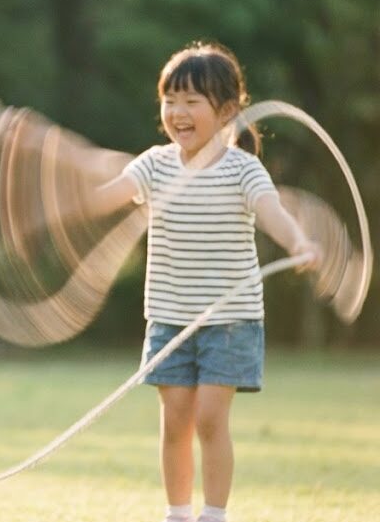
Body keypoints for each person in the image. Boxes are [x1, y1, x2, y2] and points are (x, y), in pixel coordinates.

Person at [82, 41, 320, 522]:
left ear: (228, 110)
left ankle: (213, 514)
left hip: (229, 321)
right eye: (170, 100)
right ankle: (177, 513)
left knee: (211, 421)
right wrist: (60, 188)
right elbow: (109, 197)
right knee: (175, 424)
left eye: (192, 101)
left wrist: (298, 242)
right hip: (169, 318)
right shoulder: (154, 164)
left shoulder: (242, 169)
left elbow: (273, 213)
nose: (178, 112)